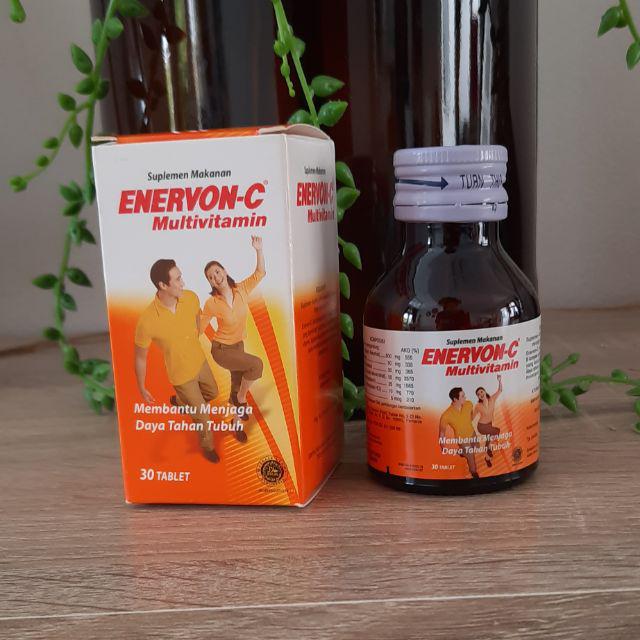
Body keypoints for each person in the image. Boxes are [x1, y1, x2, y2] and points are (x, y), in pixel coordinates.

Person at [134, 259, 221, 463]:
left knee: (213, 393)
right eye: (178, 279)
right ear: (163, 285)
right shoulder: (147, 321)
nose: (183, 283)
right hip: (181, 375)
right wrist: (141, 386)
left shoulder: (190, 298)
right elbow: (140, 357)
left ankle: (181, 402)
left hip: (199, 361)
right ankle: (208, 447)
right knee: (202, 414)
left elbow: (197, 319)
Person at [200, 236, 265, 435]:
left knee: (237, 384)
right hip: (221, 350)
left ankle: (236, 425)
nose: (215, 277)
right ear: (210, 282)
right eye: (211, 277)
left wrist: (258, 249)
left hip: (238, 346)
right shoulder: (212, 303)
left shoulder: (242, 290)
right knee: (256, 365)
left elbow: (260, 273)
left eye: (217, 271)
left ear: (225, 271)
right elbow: (199, 327)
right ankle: (241, 399)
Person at [439, 387, 479, 479]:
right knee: (470, 455)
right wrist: (443, 447)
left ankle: (461, 452)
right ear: (455, 399)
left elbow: (470, 416)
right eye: (463, 396)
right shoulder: (446, 415)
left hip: (472, 432)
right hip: (461, 439)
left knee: (477, 447)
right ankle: (473, 472)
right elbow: (442, 433)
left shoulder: (469, 404)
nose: (465, 397)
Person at [474, 375, 503, 467]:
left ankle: (487, 458)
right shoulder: (478, 406)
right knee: (497, 431)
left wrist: (499, 380)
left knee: (488, 441)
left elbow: (500, 390)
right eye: (478, 394)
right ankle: (489, 449)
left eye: (481, 392)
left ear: (485, 391)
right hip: (482, 426)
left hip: (489, 424)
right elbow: (472, 417)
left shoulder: (492, 399)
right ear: (478, 397)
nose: (480, 394)